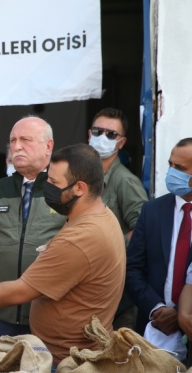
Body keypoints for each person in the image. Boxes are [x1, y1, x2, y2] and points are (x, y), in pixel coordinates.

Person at [0, 143, 126, 366]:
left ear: (79, 188)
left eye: (53, 182)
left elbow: (19, 291)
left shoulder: (81, 238)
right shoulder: (102, 216)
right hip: (63, 353)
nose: (46, 186)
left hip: (63, 360)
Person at [0, 116, 66, 337]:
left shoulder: (65, 190)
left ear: (48, 146)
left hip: (50, 318)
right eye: (13, 140)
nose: (16, 146)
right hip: (0, 318)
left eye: (25, 140)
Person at [126, 138, 192, 360]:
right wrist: (156, 308)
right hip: (151, 331)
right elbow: (133, 268)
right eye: (170, 164)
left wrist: (182, 315)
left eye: (180, 168)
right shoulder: (152, 211)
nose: (172, 172)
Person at [87, 107, 147, 330]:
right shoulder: (81, 176)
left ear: (121, 143)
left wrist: (109, 249)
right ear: (88, 134)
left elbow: (142, 228)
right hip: (85, 291)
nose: (103, 137)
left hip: (116, 297)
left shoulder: (125, 182)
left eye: (111, 134)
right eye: (97, 131)